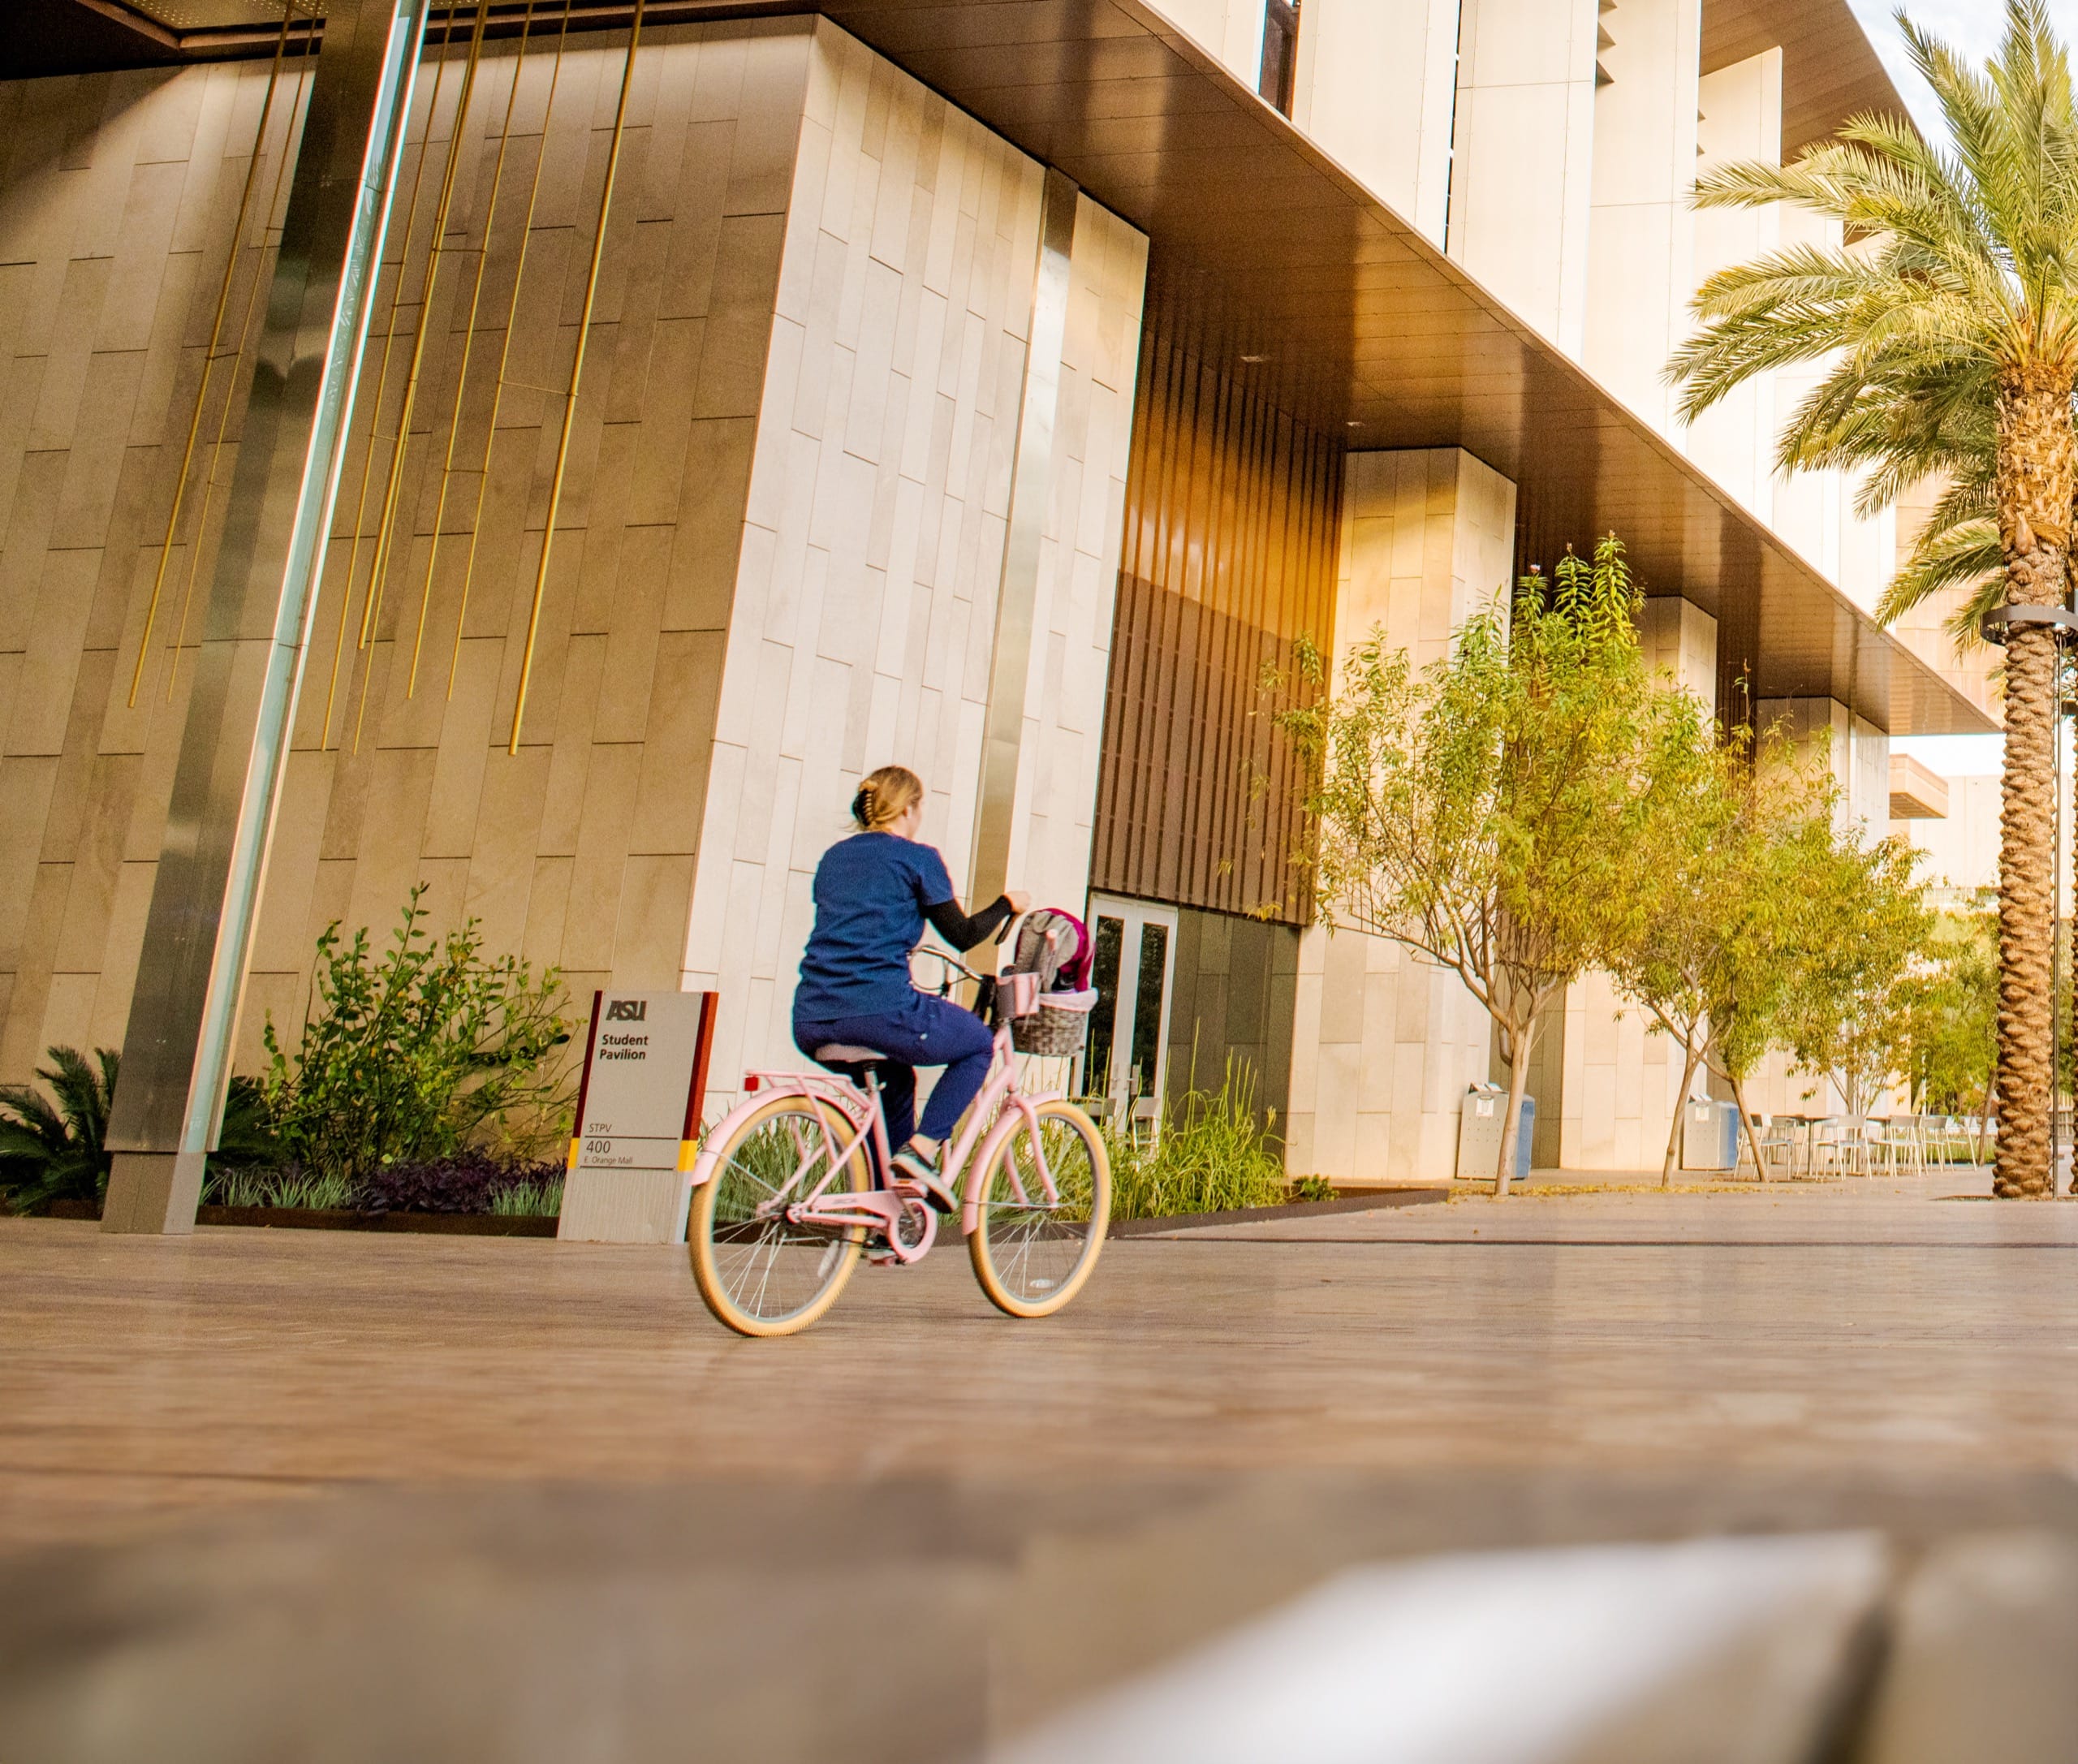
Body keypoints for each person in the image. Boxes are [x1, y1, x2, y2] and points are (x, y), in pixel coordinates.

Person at [792, 766, 1028, 1212]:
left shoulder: (834, 858)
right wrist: (1006, 904)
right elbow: (961, 935)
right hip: (880, 1008)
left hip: (812, 1016)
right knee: (978, 1044)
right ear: (908, 808)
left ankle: (887, 1215)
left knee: (896, 1081)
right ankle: (923, 1149)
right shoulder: (917, 858)